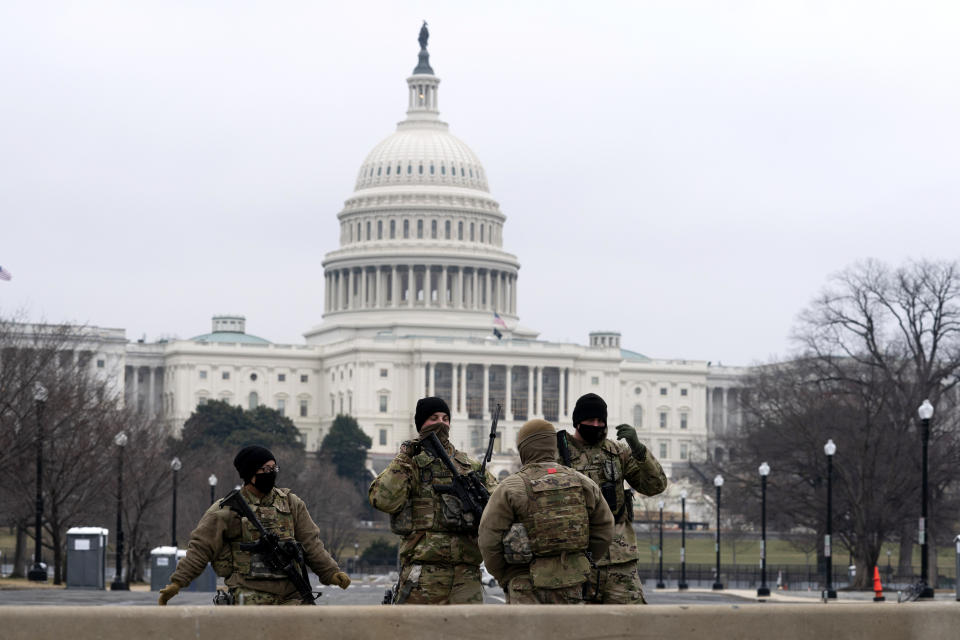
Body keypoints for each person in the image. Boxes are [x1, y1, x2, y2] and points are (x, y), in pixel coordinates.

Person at [158, 445, 351, 605]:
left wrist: (331, 573)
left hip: (291, 596)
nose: (272, 473)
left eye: (274, 468)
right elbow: (201, 548)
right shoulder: (227, 510)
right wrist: (178, 582)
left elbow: (311, 544)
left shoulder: (291, 504)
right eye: (265, 469)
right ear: (250, 474)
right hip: (249, 597)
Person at [368, 396, 497, 604]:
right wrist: (406, 457)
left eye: (446, 418)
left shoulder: (469, 466)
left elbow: (498, 506)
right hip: (423, 574)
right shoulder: (410, 463)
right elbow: (383, 499)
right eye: (434, 418)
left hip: (466, 575)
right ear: (421, 424)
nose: (441, 423)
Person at [478, 419, 614, 604]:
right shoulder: (582, 482)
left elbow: (488, 538)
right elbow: (605, 529)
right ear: (553, 445)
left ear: (524, 448)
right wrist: (579, 564)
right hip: (570, 583)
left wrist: (506, 576)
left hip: (524, 584)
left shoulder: (511, 487)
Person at [558, 393, 667, 604]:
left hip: (620, 561)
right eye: (590, 420)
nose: (596, 425)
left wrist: (639, 450)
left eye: (601, 421)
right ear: (577, 421)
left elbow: (655, 485)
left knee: (631, 626)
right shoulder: (559, 454)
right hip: (576, 561)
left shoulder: (618, 453)